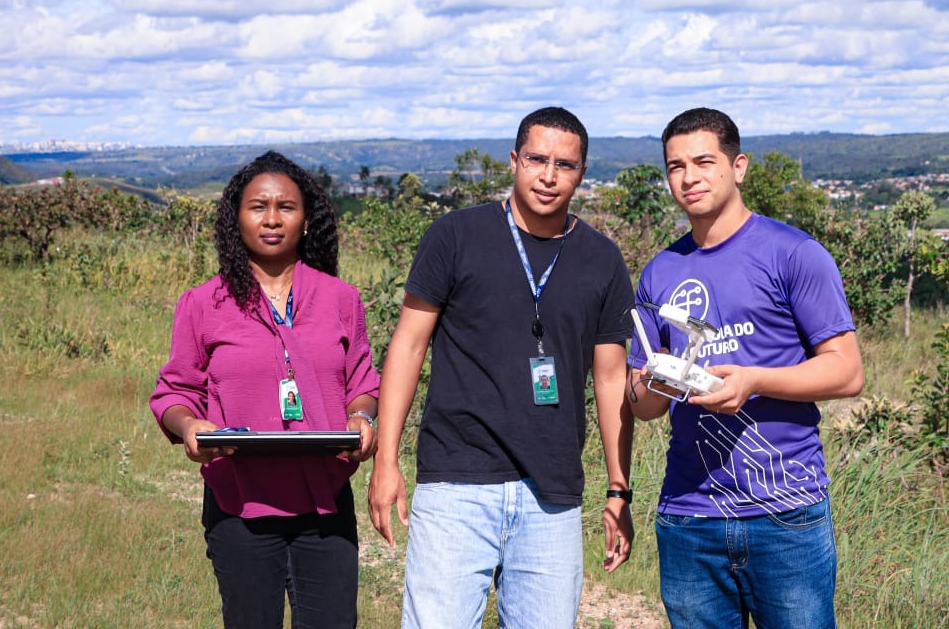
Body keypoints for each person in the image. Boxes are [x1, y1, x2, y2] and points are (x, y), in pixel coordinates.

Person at [368, 106, 636, 629]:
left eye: (565, 164)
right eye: (537, 159)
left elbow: (610, 378)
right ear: (514, 160)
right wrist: (386, 459)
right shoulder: (455, 236)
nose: (549, 176)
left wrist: (618, 487)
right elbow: (408, 345)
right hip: (455, 484)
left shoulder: (602, 259)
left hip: (552, 495)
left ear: (582, 173)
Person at [629, 108, 864, 629]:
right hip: (689, 516)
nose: (689, 177)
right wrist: (656, 380)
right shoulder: (660, 272)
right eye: (675, 166)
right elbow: (643, 408)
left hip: (785, 513)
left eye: (703, 162)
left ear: (738, 167)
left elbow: (847, 372)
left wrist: (754, 381)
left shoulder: (794, 253)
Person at [151, 151, 381, 629]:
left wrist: (362, 418)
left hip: (325, 503)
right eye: (258, 207)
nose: (272, 219)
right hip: (239, 504)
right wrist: (190, 426)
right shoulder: (203, 302)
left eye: (286, 207)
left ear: (306, 220)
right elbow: (174, 391)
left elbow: (362, 383)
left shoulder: (341, 298)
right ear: (236, 219)